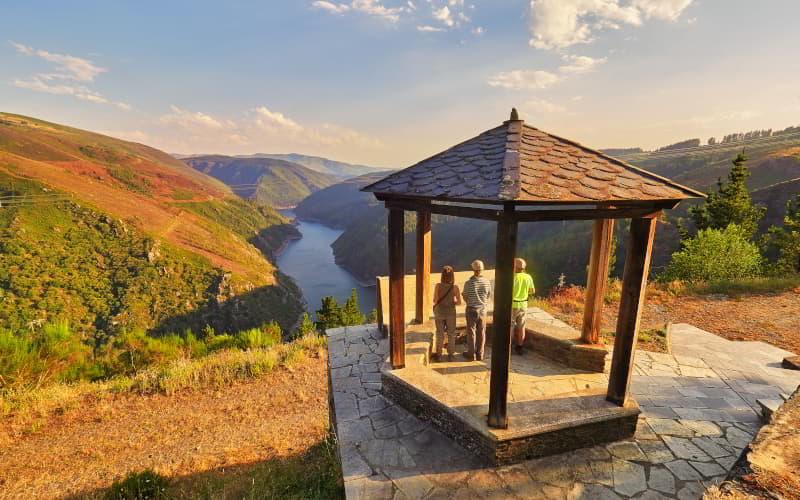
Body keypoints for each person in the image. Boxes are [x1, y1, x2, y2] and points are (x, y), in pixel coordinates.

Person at [461, 259, 492, 361]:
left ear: (473, 269)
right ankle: (480, 354)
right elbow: (488, 296)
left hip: (471, 310)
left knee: (471, 332)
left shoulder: (468, 283)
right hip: (483, 310)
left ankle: (471, 354)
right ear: (482, 269)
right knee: (482, 332)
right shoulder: (487, 282)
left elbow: (465, 297)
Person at [432, 266, 461, 362]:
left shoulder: (438, 286)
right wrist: (452, 302)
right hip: (451, 313)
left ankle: (439, 355)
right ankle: (451, 355)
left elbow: (435, 300)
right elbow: (459, 302)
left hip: (439, 312)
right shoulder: (455, 287)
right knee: (451, 334)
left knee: (440, 334)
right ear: (452, 275)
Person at [512, 257, 535, 355]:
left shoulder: (511, 277)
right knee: (522, 327)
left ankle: (508, 347)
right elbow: (532, 291)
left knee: (510, 327)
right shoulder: (528, 277)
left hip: (512, 305)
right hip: (523, 305)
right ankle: (520, 347)